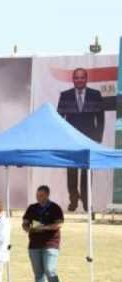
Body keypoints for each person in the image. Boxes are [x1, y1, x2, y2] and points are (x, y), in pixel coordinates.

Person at [57, 68, 105, 212]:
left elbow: (100, 119)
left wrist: (97, 140)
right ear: (73, 79)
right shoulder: (65, 95)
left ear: (86, 79)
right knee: (71, 172)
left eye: (82, 77)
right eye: (76, 78)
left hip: (88, 140)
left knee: (86, 172)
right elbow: (59, 120)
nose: (79, 80)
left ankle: (86, 201)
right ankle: (73, 200)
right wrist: (62, 139)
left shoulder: (95, 95)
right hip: (70, 141)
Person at [22, 185, 64, 282]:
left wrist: (43, 227)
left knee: (50, 271)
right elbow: (25, 222)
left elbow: (59, 224)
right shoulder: (32, 208)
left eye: (41, 195)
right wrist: (27, 228)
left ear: (47, 195)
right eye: (37, 195)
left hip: (50, 244)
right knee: (38, 274)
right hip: (34, 244)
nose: (38, 197)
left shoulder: (55, 208)